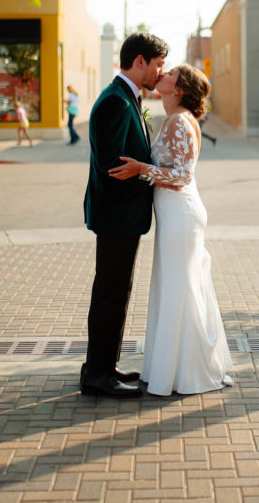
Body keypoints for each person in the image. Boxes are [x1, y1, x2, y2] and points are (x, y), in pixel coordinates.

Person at [110, 64, 233, 396]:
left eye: (170, 75)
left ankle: (188, 373)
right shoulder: (173, 119)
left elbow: (181, 177)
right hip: (174, 216)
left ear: (178, 89)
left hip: (182, 216)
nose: (161, 75)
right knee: (177, 288)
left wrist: (141, 169)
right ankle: (175, 369)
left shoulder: (180, 121)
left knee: (181, 289)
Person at [81, 32, 168, 399]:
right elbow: (112, 167)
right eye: (158, 65)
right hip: (117, 217)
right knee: (110, 294)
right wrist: (148, 177)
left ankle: (104, 365)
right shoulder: (116, 102)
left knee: (116, 292)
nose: (159, 73)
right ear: (140, 61)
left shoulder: (125, 98)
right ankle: (97, 375)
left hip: (121, 218)